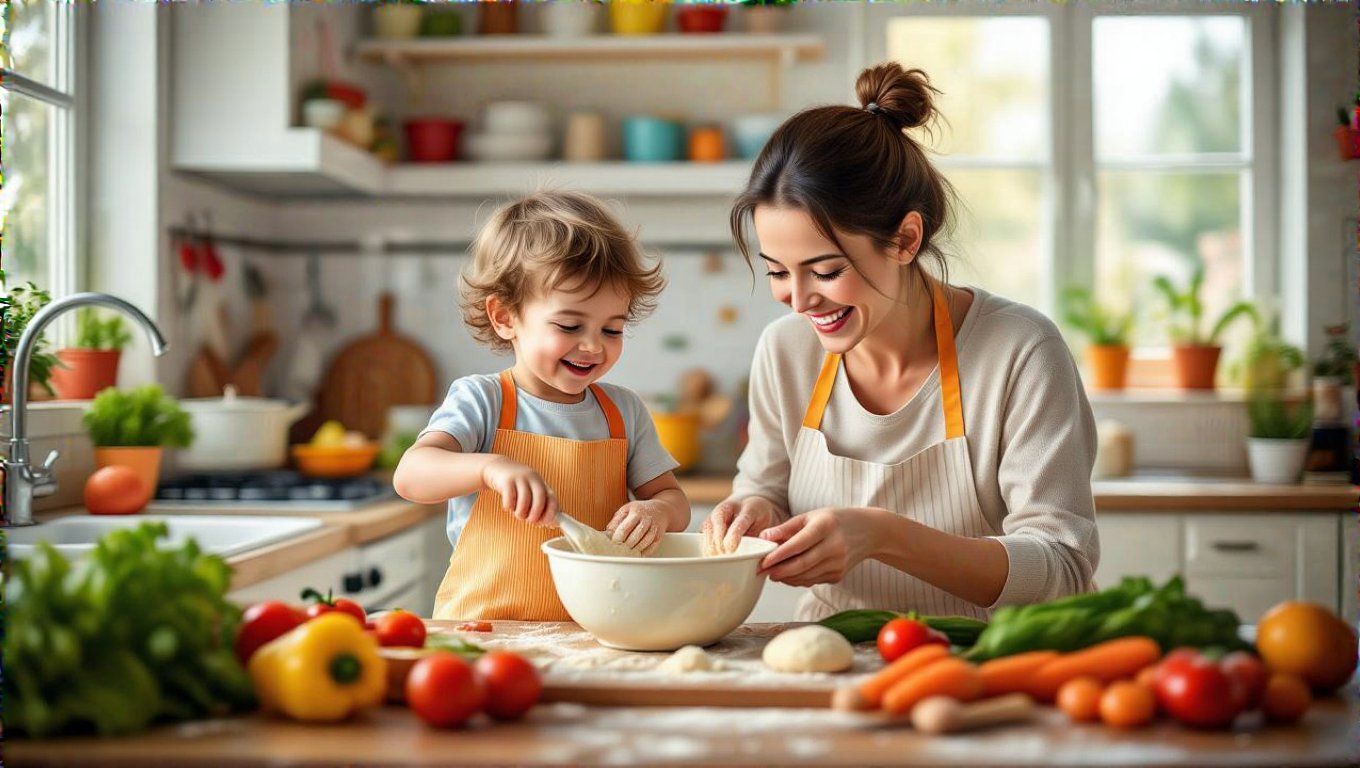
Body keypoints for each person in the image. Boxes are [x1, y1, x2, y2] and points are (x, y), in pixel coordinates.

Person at [703, 62, 1100, 621]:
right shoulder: (785, 352)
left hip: (995, 662)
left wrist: (882, 535)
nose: (798, 299)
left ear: (905, 239)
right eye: (776, 271)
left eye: (823, 270)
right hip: (833, 654)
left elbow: (1061, 566)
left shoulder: (1020, 350)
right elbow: (764, 488)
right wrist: (750, 512)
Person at [394, 190, 690, 621]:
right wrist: (488, 468)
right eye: (570, 325)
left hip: (596, 629)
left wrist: (657, 511)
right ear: (505, 317)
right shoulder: (483, 400)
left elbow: (673, 499)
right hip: (483, 630)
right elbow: (411, 475)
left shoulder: (622, 412)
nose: (592, 345)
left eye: (612, 329)